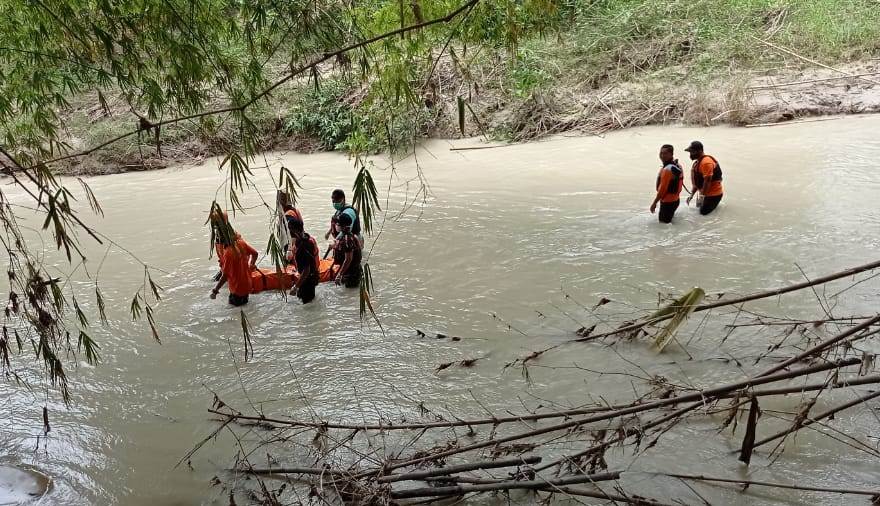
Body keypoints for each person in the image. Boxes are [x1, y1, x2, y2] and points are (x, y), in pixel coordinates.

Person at [209, 219, 259, 306]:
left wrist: (215, 290)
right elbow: (255, 253)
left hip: (237, 289)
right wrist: (252, 264)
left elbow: (225, 276)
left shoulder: (228, 253)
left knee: (235, 310)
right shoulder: (241, 243)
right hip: (247, 285)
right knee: (245, 306)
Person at [286, 217, 320, 304]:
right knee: (303, 300)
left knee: (308, 304)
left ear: (294, 230)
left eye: (289, 229)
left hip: (308, 279)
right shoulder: (304, 238)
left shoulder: (304, 246)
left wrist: (296, 287)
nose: (288, 232)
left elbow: (306, 270)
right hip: (309, 276)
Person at [684, 141, 723, 215]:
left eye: (692, 152)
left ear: (700, 151)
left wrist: (702, 197)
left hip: (713, 195)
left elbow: (707, 181)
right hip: (704, 194)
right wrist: (691, 195)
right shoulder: (696, 163)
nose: (690, 154)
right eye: (690, 152)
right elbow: (697, 183)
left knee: (702, 214)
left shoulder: (706, 163)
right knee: (698, 210)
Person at [650, 144, 684, 224]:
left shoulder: (667, 170)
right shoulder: (678, 166)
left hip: (667, 203)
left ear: (671, 154)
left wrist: (654, 203)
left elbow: (663, 189)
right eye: (661, 153)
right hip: (675, 201)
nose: (662, 155)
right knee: (669, 223)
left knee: (663, 226)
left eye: (665, 153)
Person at [333, 213, 362, 288]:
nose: (336, 225)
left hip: (351, 273)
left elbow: (348, 259)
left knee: (350, 290)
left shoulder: (347, 240)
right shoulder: (351, 235)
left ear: (342, 226)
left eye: (338, 224)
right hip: (351, 270)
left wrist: (339, 274)